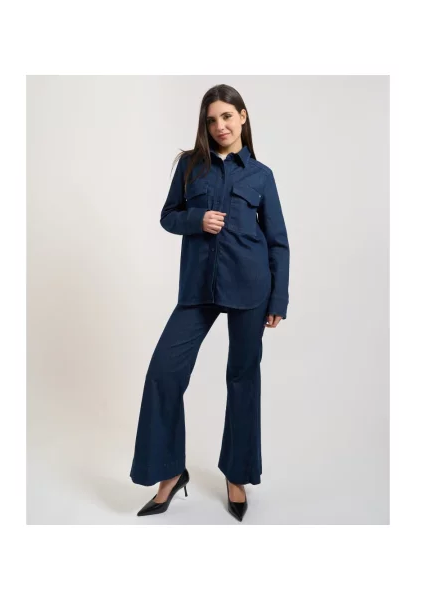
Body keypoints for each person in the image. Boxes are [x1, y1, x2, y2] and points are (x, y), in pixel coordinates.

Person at [130, 83, 290, 522]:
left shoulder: (260, 175)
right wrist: (197, 219)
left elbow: (277, 241)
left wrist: (278, 296)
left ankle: (237, 475)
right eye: (211, 119)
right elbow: (168, 216)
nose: (220, 126)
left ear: (242, 117)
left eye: (227, 116)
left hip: (250, 288)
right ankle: (169, 472)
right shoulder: (190, 166)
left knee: (242, 379)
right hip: (198, 287)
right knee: (164, 373)